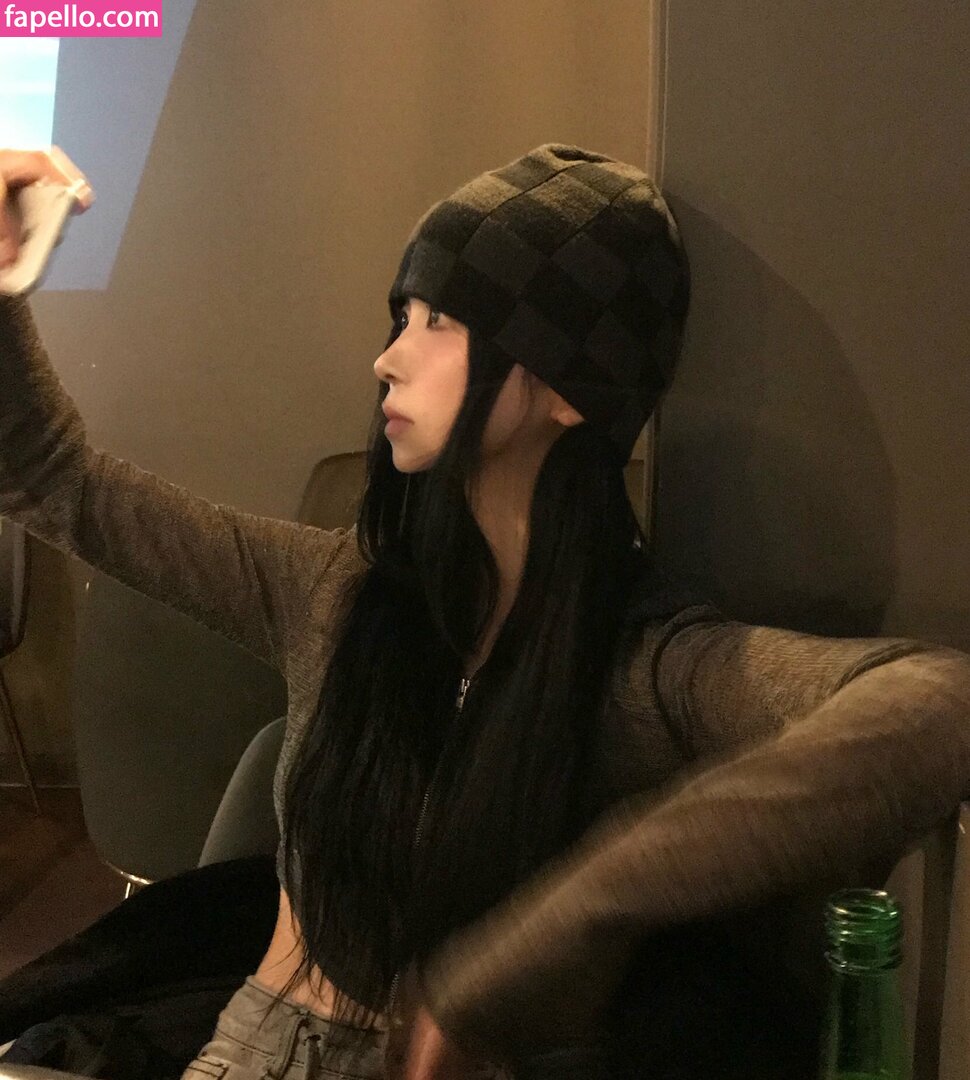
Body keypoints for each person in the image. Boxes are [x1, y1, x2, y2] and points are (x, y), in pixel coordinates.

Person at [0, 142, 968, 1080]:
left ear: (567, 388)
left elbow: (935, 706)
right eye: (402, 315)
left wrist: (571, 923)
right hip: (256, 1045)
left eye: (439, 323)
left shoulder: (643, 666)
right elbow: (54, 479)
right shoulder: (334, 588)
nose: (388, 358)